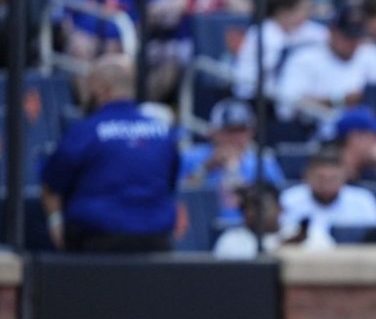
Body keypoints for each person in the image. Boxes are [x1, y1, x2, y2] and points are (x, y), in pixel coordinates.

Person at [41, 54, 181, 252]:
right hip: (156, 243)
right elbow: (170, 185)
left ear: (102, 90)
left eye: (89, 89)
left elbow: (51, 184)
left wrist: (55, 223)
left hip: (97, 244)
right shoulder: (163, 132)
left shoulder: (85, 131)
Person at [275, 5, 376, 124]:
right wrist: (340, 101)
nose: (352, 43)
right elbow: (287, 106)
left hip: (369, 132)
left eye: (356, 37)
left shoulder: (372, 54)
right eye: (347, 37)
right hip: (318, 133)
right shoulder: (305, 58)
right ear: (332, 32)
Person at [178, 98, 286, 225]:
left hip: (247, 229)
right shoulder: (191, 156)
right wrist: (206, 167)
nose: (235, 138)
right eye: (229, 131)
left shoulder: (263, 162)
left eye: (241, 131)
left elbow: (279, 201)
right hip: (198, 226)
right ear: (214, 132)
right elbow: (177, 196)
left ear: (251, 132)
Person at [231, 0, 327, 101]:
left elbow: (327, 40)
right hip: (258, 101)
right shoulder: (261, 34)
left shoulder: (308, 29)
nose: (307, 14)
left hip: (296, 100)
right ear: (283, 12)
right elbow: (249, 82)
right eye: (301, 9)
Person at [278, 149, 376, 241]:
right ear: (307, 176)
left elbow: (375, 240)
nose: (326, 184)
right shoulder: (288, 199)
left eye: (333, 179)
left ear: (344, 177)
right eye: (320, 178)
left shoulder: (363, 200)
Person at [213, 182, 287, 259]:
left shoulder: (294, 235)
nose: (251, 214)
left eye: (260, 208)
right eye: (246, 207)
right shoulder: (230, 240)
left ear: (280, 208)